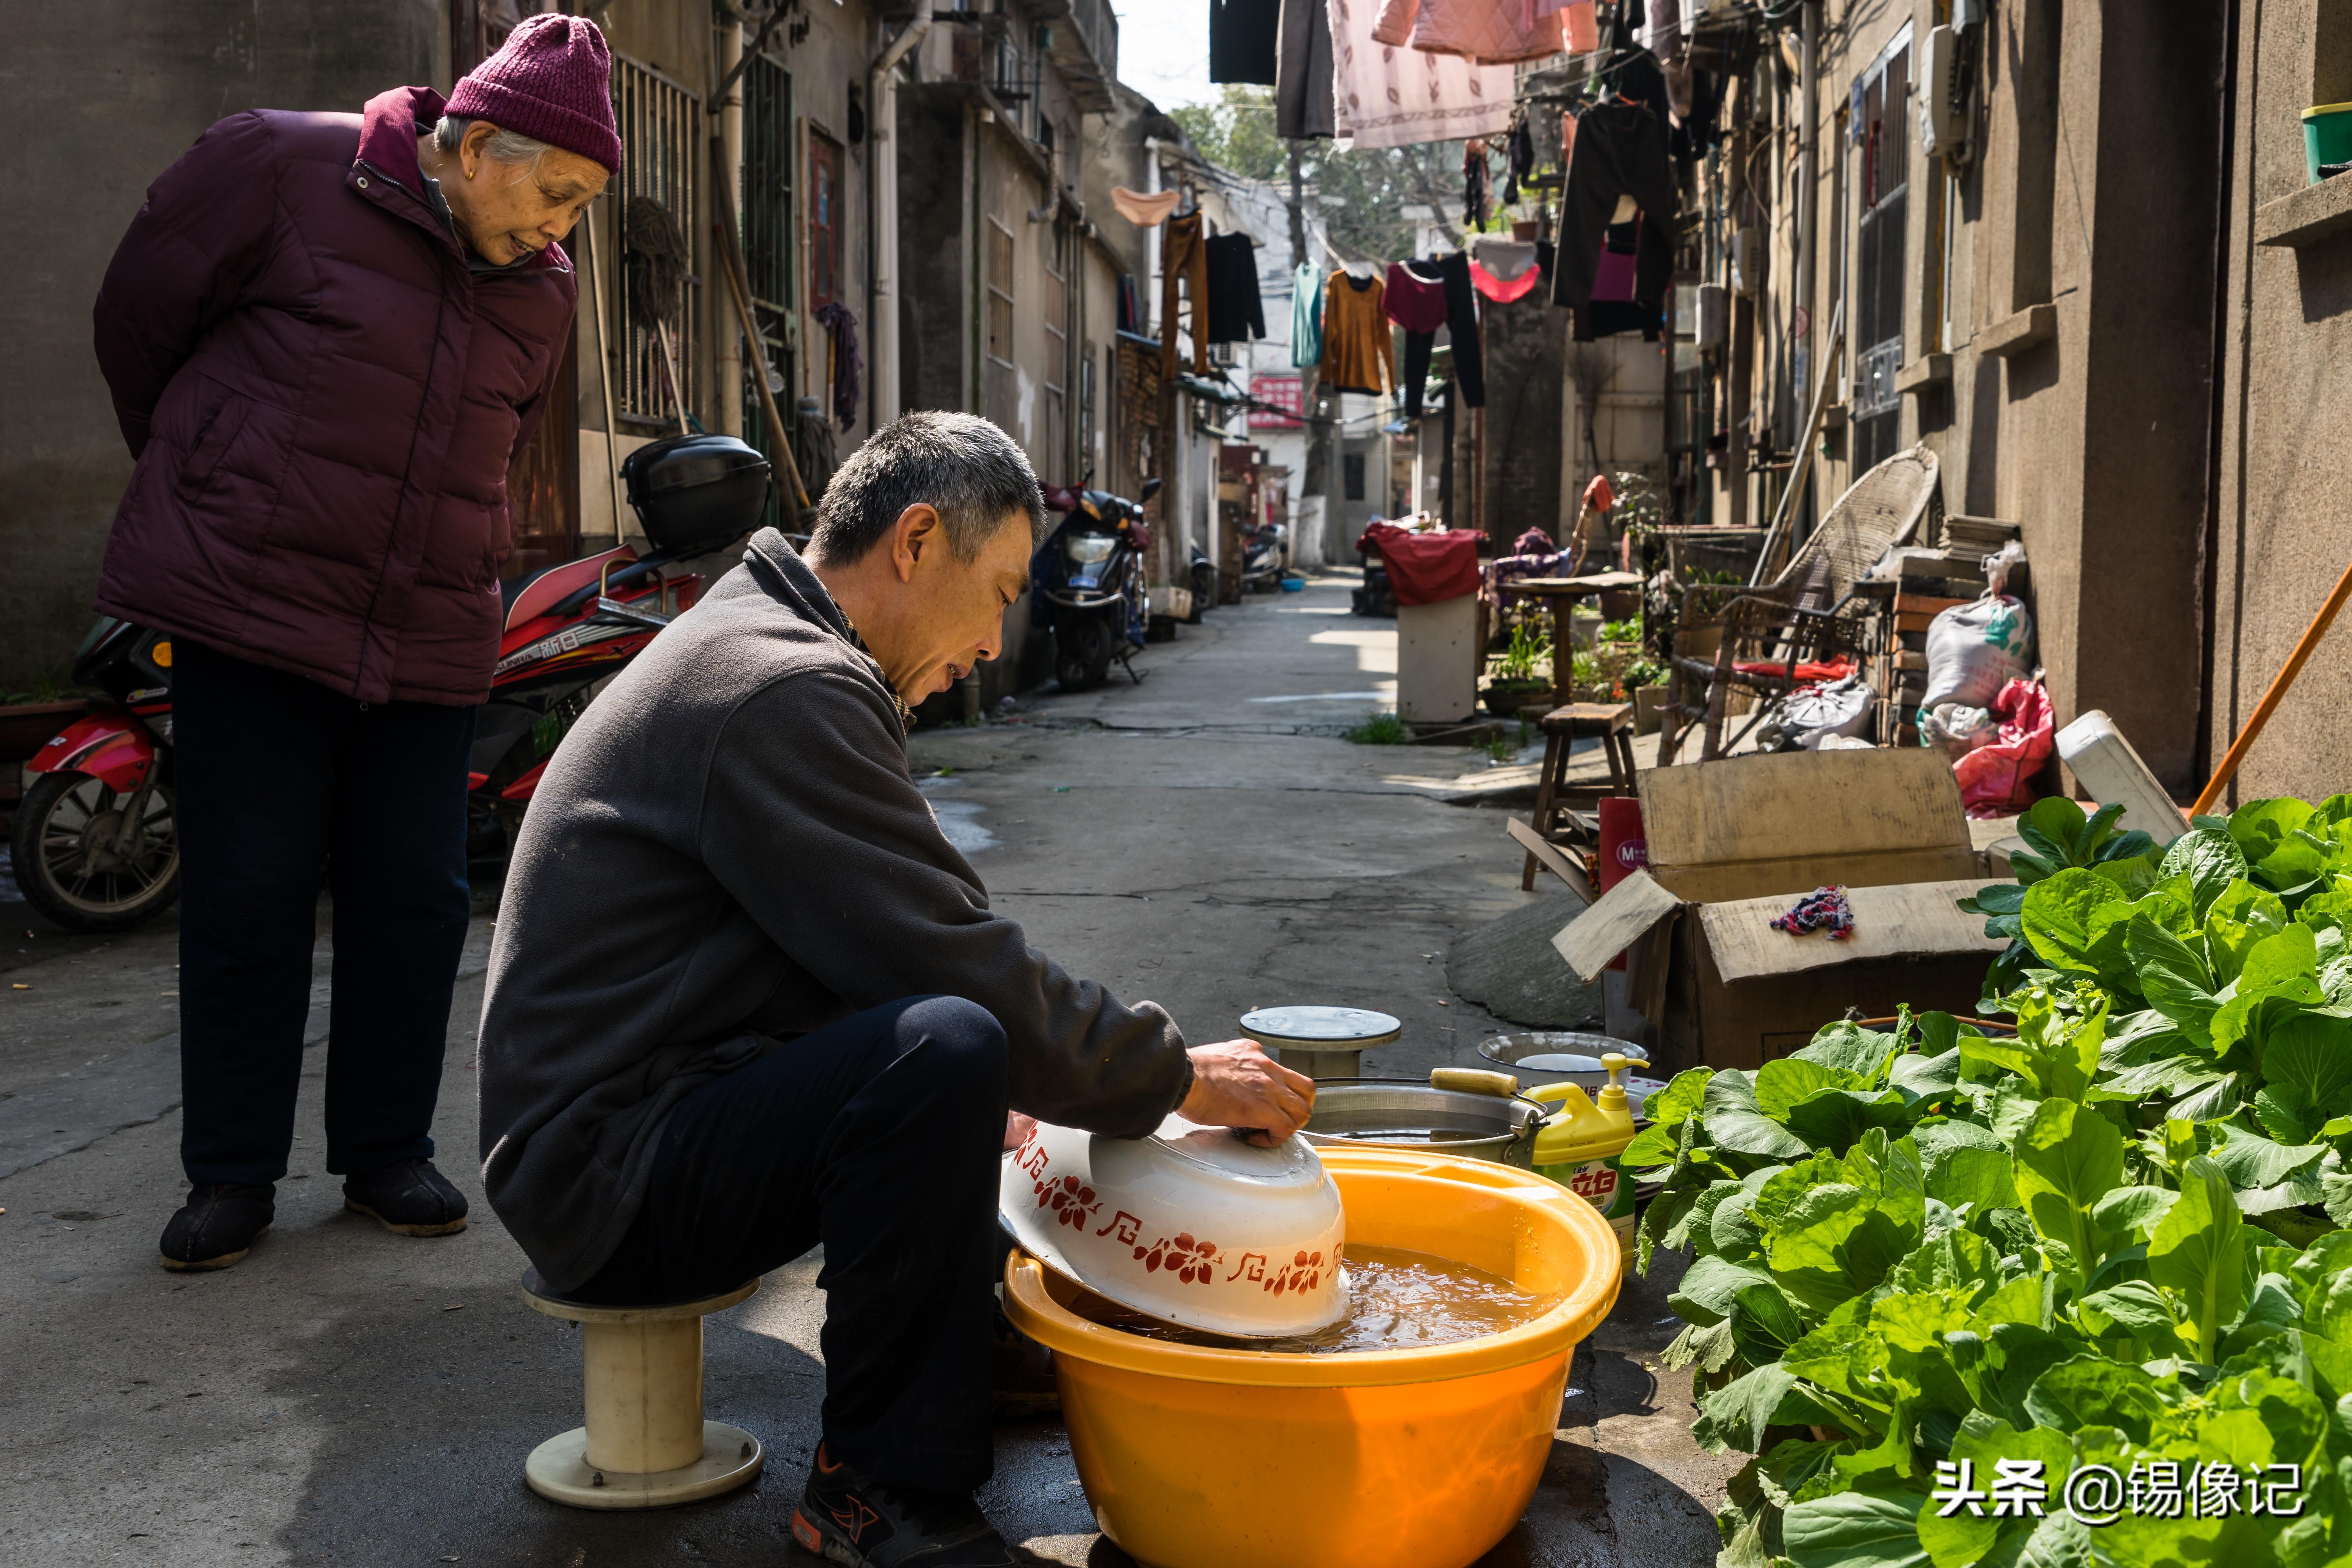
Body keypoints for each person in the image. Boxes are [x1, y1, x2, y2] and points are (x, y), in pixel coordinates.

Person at [477, 411, 1315, 1568]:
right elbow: (951, 964)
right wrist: (1171, 1075)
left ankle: (964, 1355)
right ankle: (878, 1490)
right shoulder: (780, 686)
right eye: (1002, 592)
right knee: (946, 1048)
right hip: (604, 1173)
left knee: (962, 1053)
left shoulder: (775, 641)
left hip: (652, 1109)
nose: (992, 642)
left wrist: (1061, 1078)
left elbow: (911, 938)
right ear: (917, 542)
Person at [89, 15, 621, 1272]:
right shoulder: (278, 166)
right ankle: (231, 1173)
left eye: (584, 206)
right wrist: (212, 478)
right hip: (255, 610)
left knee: (416, 899)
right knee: (247, 891)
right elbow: (138, 322)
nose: (561, 227)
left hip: (431, 625)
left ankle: (384, 1151)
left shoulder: (539, 289)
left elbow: (503, 444)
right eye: (551, 190)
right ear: (477, 141)